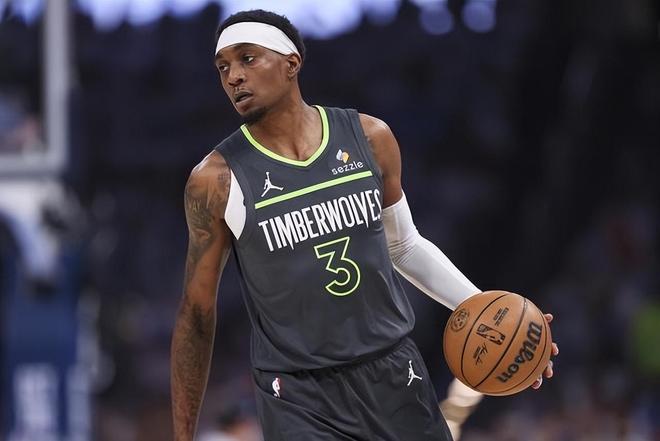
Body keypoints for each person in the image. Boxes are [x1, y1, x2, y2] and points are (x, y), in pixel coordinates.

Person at [171, 9, 558, 441]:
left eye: (247, 58)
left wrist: (492, 313)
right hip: (299, 395)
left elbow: (404, 246)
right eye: (223, 67)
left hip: (393, 371)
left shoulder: (370, 137)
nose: (234, 77)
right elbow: (196, 312)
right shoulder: (215, 180)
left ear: (292, 62)